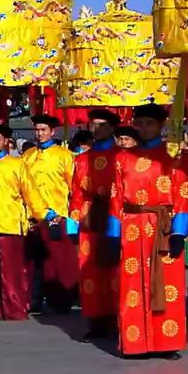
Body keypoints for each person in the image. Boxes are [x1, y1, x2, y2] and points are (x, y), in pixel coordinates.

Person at [106, 103, 188, 359]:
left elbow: (184, 195)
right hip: (132, 226)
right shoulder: (122, 158)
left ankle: (166, 342)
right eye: (139, 123)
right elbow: (116, 197)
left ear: (162, 125)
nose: (143, 128)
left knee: (167, 284)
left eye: (149, 123)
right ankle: (135, 342)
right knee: (132, 285)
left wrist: (178, 232)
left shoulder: (175, 155)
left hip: (162, 228)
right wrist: (112, 234)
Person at [0, 123, 46, 320]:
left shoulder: (18, 164)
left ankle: (15, 308)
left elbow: (30, 192)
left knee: (12, 271)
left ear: (6, 142)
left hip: (10, 223)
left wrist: (42, 215)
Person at [67, 109, 122, 340]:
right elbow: (76, 193)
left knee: (115, 268)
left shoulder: (123, 156)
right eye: (93, 124)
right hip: (89, 216)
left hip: (115, 213)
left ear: (111, 128)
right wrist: (72, 224)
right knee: (90, 269)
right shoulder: (80, 159)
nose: (96, 129)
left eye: (101, 125)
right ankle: (96, 320)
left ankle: (118, 319)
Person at [21, 114, 78, 315]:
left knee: (58, 261)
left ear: (52, 132)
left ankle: (60, 300)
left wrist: (70, 214)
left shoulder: (64, 156)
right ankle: (33, 299)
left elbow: (73, 186)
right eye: (37, 130)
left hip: (57, 215)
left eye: (44, 130)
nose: (40, 133)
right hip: (32, 216)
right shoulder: (27, 156)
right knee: (32, 261)